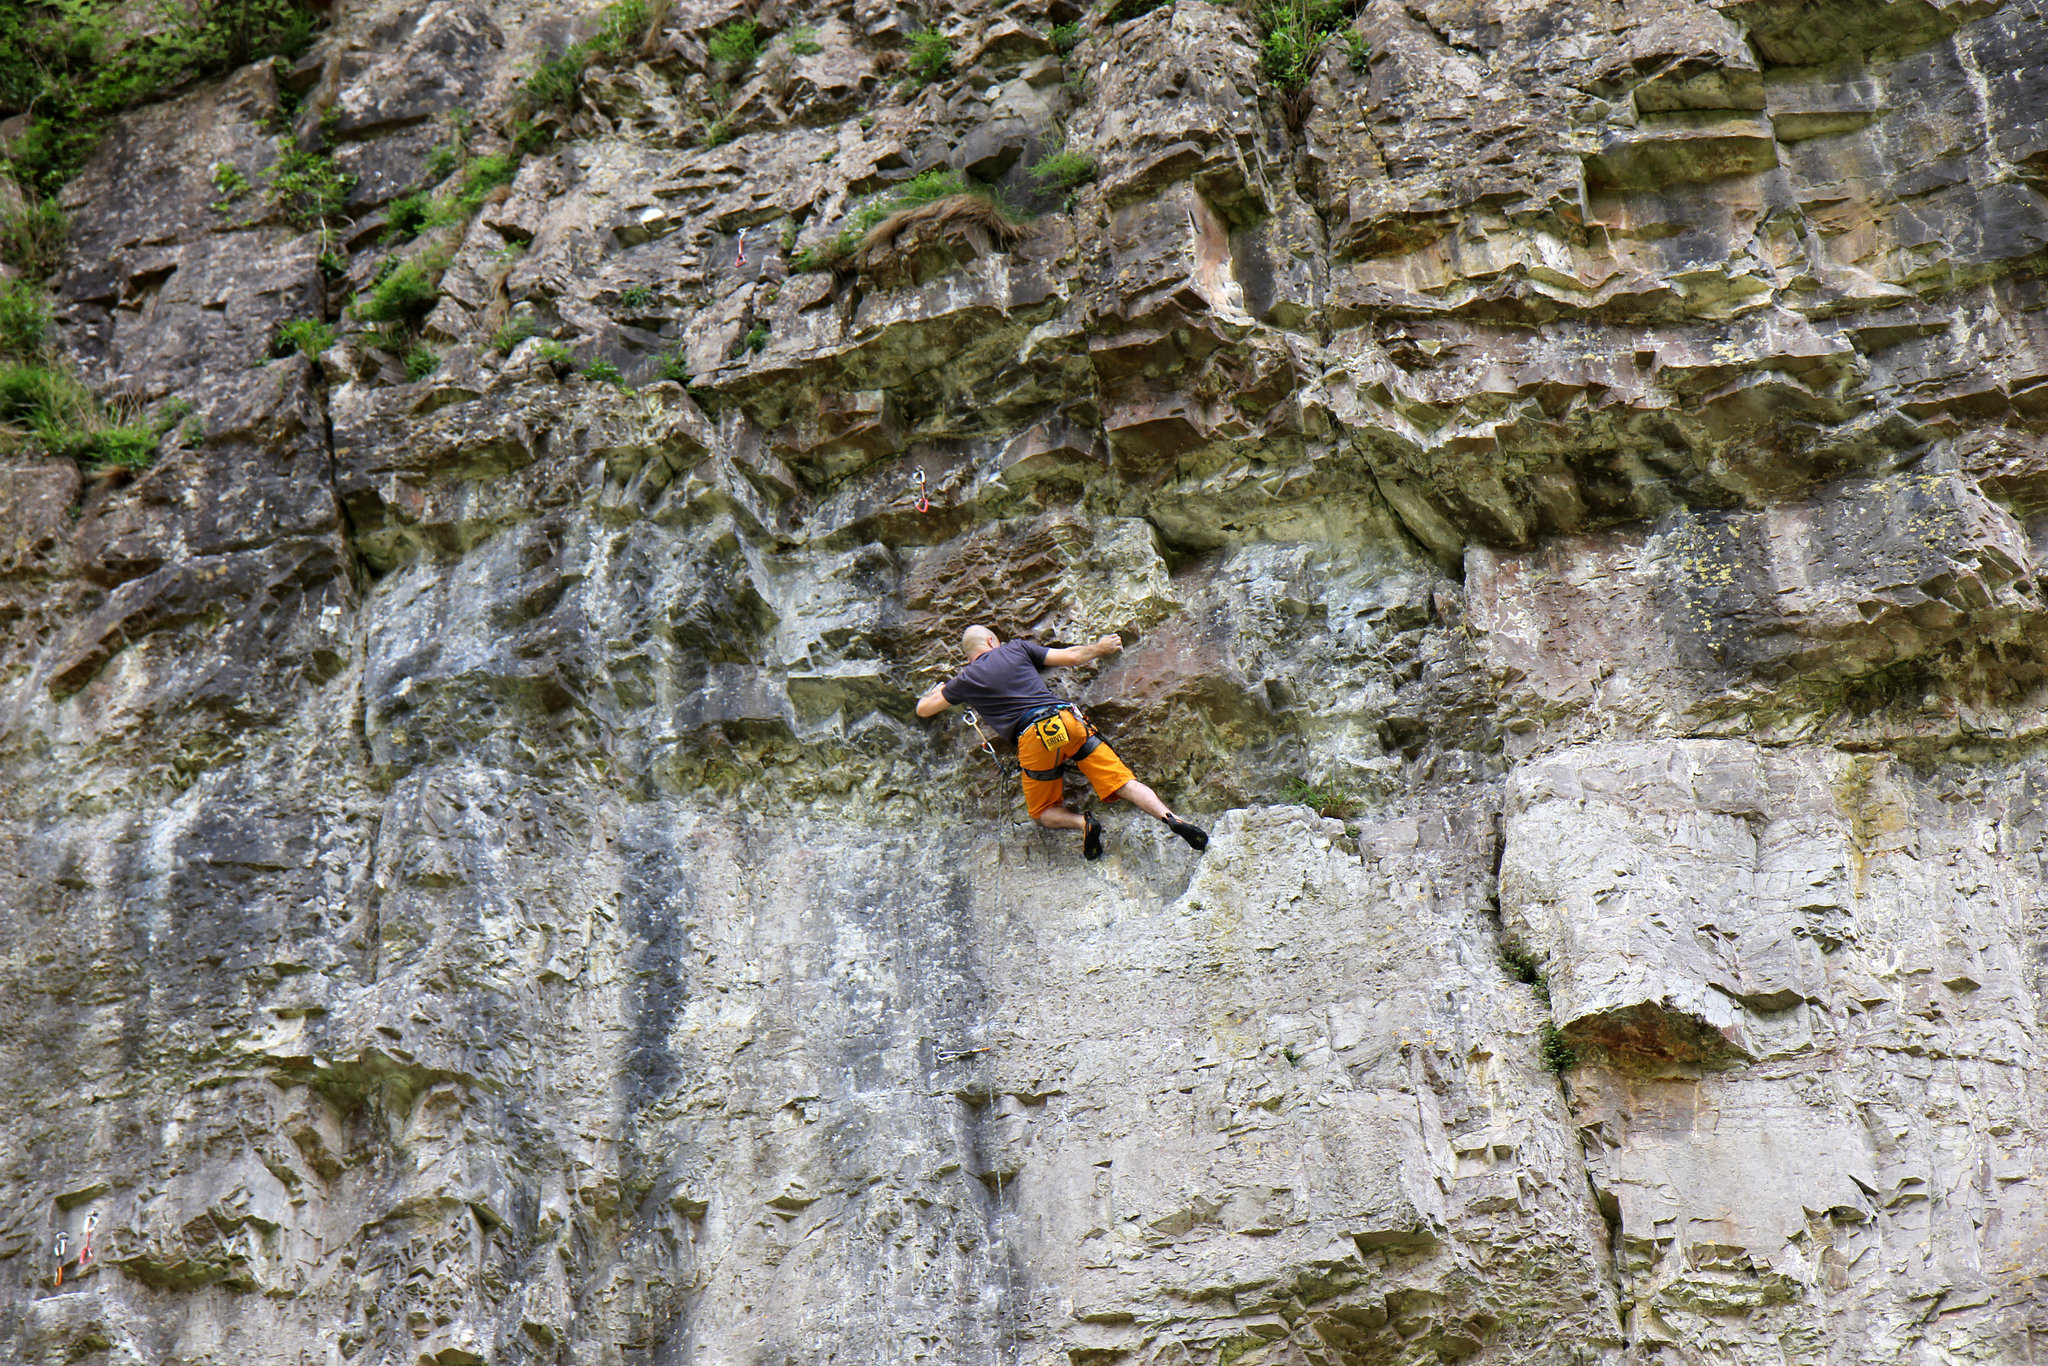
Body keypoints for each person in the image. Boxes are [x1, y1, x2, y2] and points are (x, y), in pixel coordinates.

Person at [917, 624, 1209, 860]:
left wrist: (938, 690)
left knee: (1042, 813)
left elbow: (923, 709)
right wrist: (1101, 647)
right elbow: (1070, 656)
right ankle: (1170, 817)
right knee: (1124, 783)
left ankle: (1084, 824)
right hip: (1067, 721)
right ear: (992, 641)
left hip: (1033, 738)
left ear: (970, 653)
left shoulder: (965, 680)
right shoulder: (1016, 648)